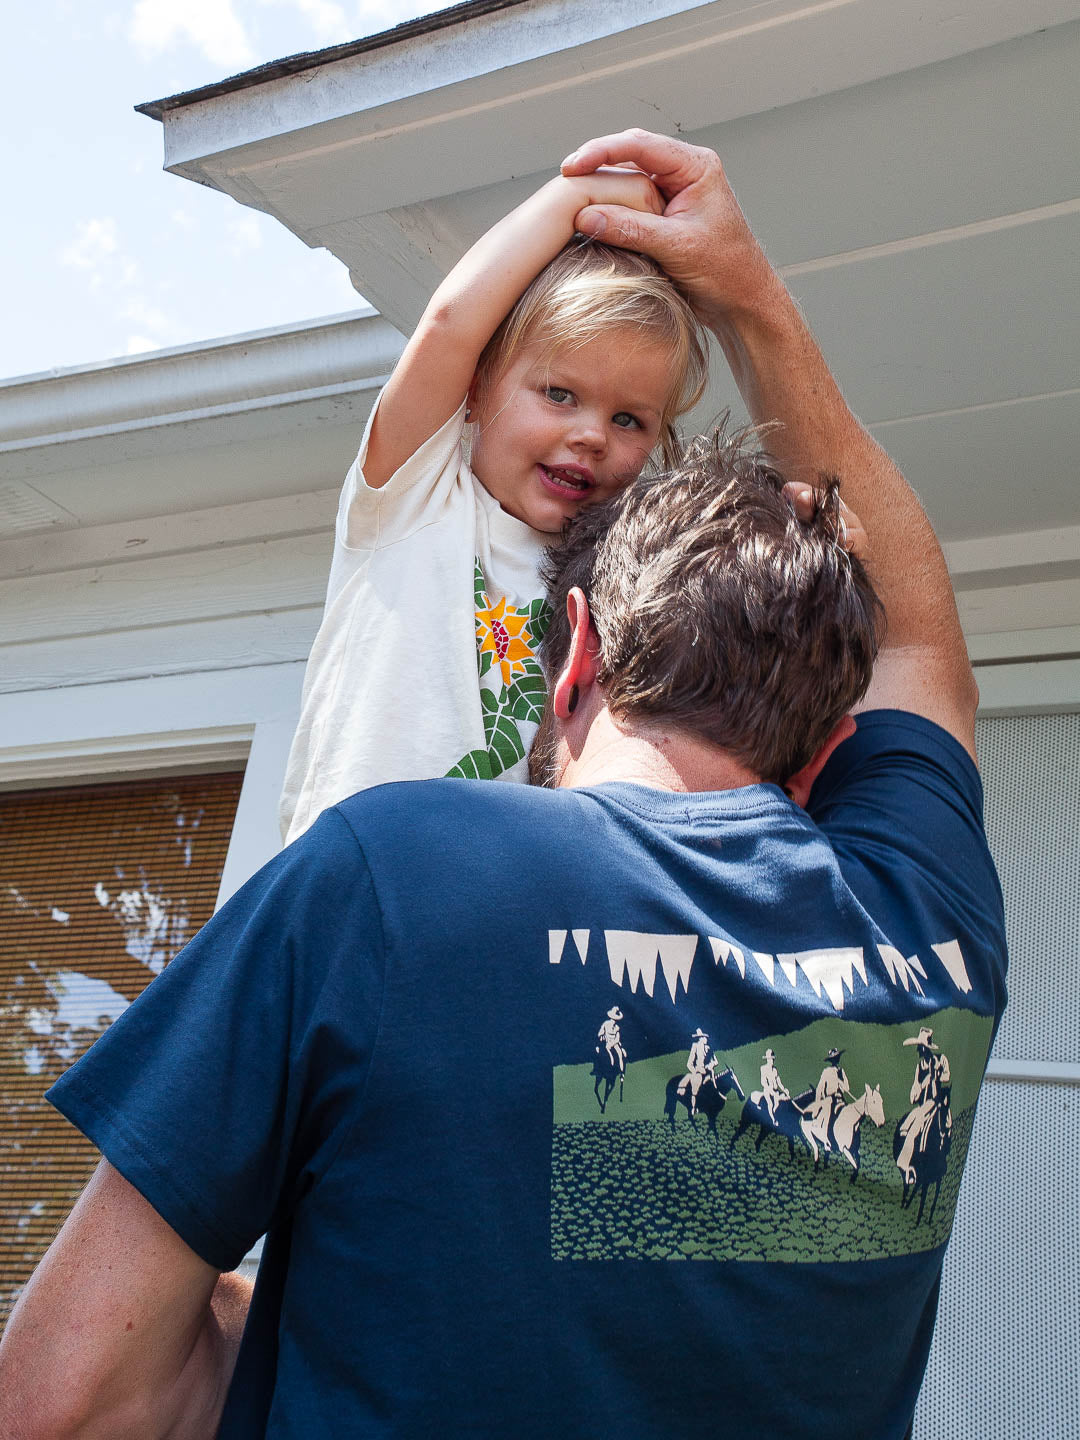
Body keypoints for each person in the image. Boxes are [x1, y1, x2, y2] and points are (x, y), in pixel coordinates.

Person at [0, 131, 1007, 1440]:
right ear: (838, 750)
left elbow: (60, 1401)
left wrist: (270, 1323)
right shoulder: (927, 942)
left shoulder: (391, 880)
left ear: (573, 647)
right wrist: (751, 291)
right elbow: (921, 636)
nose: (592, 435)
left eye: (630, 420)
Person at [278, 165, 708, 843]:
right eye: (559, 394)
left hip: (492, 909)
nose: (592, 434)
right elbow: (450, 323)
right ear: (475, 390)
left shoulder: (620, 581)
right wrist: (574, 199)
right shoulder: (413, 497)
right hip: (352, 882)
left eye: (630, 420)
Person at [896, 1027, 953, 1184]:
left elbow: (947, 1076)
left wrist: (936, 1076)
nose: (918, 1050)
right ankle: (906, 1158)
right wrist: (921, 1085)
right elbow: (915, 1090)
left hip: (936, 1101)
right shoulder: (920, 1067)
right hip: (923, 1104)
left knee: (946, 1123)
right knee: (909, 1123)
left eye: (920, 1047)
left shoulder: (940, 1060)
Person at [807, 1046, 853, 1152]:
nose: (836, 1060)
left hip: (840, 1099)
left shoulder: (841, 1071)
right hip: (829, 1099)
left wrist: (839, 1080)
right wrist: (817, 1102)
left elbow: (847, 1088)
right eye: (834, 1058)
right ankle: (826, 1141)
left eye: (837, 1057)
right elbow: (820, 1088)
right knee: (827, 1115)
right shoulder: (826, 1071)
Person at [676, 1027, 717, 1115]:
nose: (706, 1039)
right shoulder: (695, 1046)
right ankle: (694, 1107)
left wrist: (711, 1065)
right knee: (696, 1088)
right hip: (698, 1072)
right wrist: (695, 1071)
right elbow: (689, 1063)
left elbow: (715, 1061)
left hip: (709, 1072)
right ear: (700, 1038)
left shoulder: (709, 1048)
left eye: (706, 1037)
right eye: (704, 1037)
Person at [759, 1046, 789, 1122]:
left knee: (781, 1102)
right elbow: (763, 1081)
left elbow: (778, 1080)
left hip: (775, 1090)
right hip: (767, 1090)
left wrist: (784, 1089)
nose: (772, 1060)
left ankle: (777, 1114)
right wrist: (770, 1090)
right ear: (767, 1060)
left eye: (772, 1059)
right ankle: (773, 1119)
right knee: (770, 1104)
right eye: (770, 1059)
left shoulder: (775, 1069)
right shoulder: (763, 1068)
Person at [597, 1004, 627, 1073]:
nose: (615, 1021)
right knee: (600, 1052)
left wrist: (612, 1043)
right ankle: (600, 1068)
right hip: (607, 1041)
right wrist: (602, 1037)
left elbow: (617, 1038)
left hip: (614, 1043)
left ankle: (622, 1072)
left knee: (620, 1055)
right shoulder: (606, 1024)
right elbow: (600, 1033)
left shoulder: (617, 1027)